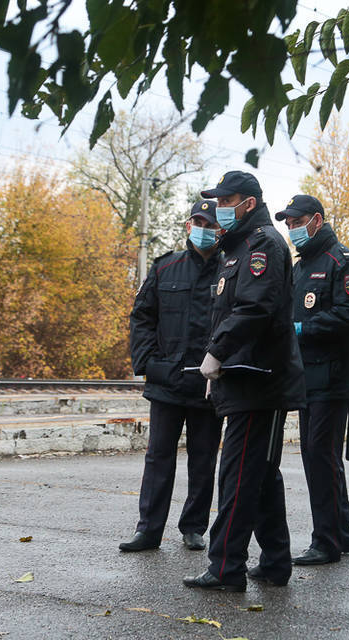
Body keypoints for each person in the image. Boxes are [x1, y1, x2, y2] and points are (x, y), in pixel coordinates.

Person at [182, 170, 306, 591]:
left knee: (238, 477)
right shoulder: (236, 249)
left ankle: (225, 568)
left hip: (259, 382)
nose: (219, 208)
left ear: (248, 204)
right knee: (262, 475)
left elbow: (253, 309)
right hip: (244, 379)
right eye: (217, 201)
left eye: (226, 200)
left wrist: (216, 352)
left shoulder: (262, 245)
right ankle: (275, 563)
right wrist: (217, 363)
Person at [121, 200, 224, 553]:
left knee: (203, 459)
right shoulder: (166, 267)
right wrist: (149, 363)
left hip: (209, 384)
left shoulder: (231, 269)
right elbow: (142, 317)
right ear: (187, 225)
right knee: (158, 458)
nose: (203, 228)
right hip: (167, 381)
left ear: (220, 229)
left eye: (209, 223)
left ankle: (193, 527)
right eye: (197, 221)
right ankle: (148, 530)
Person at [276, 194, 349, 565]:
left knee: (320, 457)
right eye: (288, 224)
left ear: (316, 220)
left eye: (297, 223)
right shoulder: (299, 268)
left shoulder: (343, 263)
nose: (291, 229)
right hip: (306, 379)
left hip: (332, 377)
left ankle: (326, 541)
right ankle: (343, 533)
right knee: (322, 458)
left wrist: (302, 328)